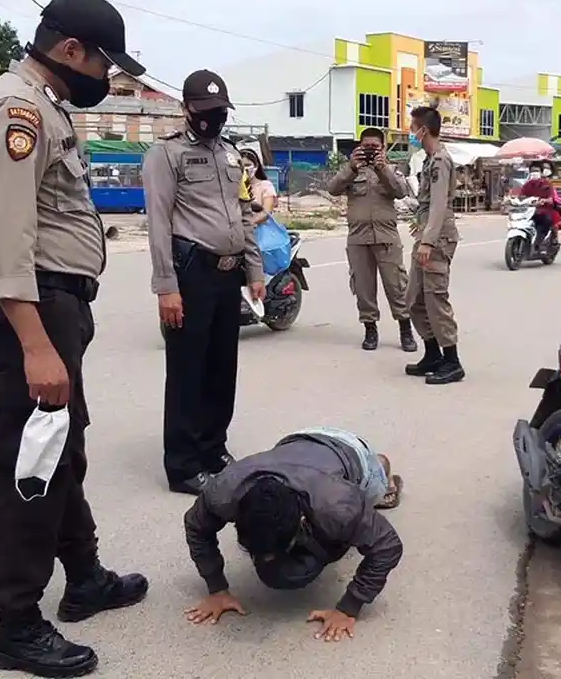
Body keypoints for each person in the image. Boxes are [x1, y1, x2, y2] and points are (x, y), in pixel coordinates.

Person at [0, 0, 149, 677]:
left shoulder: (44, 105)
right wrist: (36, 343)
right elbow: (1, 237)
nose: (108, 78)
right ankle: (16, 623)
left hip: (59, 305)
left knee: (60, 449)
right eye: (104, 64)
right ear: (70, 50)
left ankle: (85, 575)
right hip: (35, 310)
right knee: (29, 463)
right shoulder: (19, 110)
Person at [142, 69, 265, 496]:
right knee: (187, 372)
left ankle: (214, 449)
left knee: (221, 369)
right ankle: (183, 465)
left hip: (228, 274)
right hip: (190, 272)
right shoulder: (167, 155)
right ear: (187, 109)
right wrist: (166, 286)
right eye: (205, 110)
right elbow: (158, 223)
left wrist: (254, 269)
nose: (213, 118)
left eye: (219, 111)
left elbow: (244, 213)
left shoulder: (231, 155)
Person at [182, 427, 404, 642]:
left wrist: (349, 607)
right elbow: (196, 526)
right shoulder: (223, 492)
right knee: (280, 570)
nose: (261, 560)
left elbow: (388, 546)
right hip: (298, 441)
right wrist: (216, 587)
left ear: (301, 521)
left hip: (351, 452)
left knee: (367, 500)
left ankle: (380, 469)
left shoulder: (336, 505)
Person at [326, 127, 417, 352]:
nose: (370, 151)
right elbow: (333, 188)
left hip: (386, 236)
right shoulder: (351, 170)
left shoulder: (392, 170)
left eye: (375, 147)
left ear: (383, 148)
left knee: (396, 285)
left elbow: (400, 191)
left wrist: (382, 167)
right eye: (366, 147)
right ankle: (370, 329)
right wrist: (351, 167)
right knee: (363, 287)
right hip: (358, 238)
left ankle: (405, 330)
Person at [404, 106, 464, 384]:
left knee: (435, 298)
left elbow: (440, 205)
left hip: (437, 240)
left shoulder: (440, 161)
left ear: (423, 130)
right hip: (426, 235)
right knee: (414, 298)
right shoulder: (428, 160)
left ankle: (451, 360)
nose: (410, 132)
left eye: (412, 127)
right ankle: (432, 353)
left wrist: (428, 241)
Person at [520, 166, 561, 252]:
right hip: (530, 210)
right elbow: (520, 196)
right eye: (533, 171)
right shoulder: (527, 185)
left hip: (546, 209)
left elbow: (551, 199)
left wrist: (544, 200)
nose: (534, 173)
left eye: (536, 171)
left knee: (559, 224)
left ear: (540, 173)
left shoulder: (547, 184)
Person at [239, 147, 277, 225]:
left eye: (248, 165)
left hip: (260, 231)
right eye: (241, 166)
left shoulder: (266, 186)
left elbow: (266, 213)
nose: (245, 169)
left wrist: (248, 224)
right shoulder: (235, 186)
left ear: (256, 166)